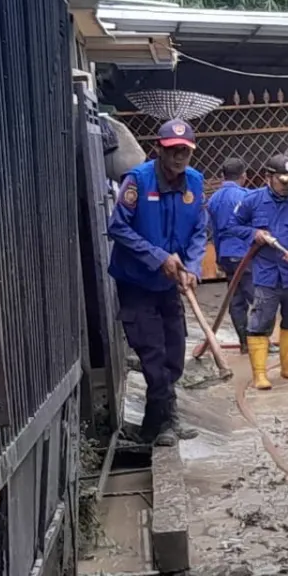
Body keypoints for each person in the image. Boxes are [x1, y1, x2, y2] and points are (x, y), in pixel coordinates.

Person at [107, 119, 207, 446]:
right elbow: (118, 229)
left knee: (175, 353)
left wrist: (191, 266)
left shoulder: (194, 183)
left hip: (169, 285)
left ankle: (158, 423)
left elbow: (197, 232)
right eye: (172, 151)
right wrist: (158, 256)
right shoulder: (137, 182)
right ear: (159, 150)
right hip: (137, 283)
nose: (179, 158)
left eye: (185, 152)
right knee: (152, 355)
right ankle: (162, 424)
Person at [230, 154, 288, 390]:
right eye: (283, 181)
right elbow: (232, 225)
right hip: (266, 274)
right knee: (260, 322)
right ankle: (260, 374)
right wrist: (254, 234)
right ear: (268, 177)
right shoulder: (253, 200)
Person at [205, 158, 255, 350]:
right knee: (258, 299)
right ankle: (259, 341)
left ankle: (244, 343)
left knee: (236, 299)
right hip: (245, 254)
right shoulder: (247, 197)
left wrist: (219, 256)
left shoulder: (214, 199)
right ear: (244, 176)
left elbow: (214, 231)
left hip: (226, 254)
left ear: (222, 176)